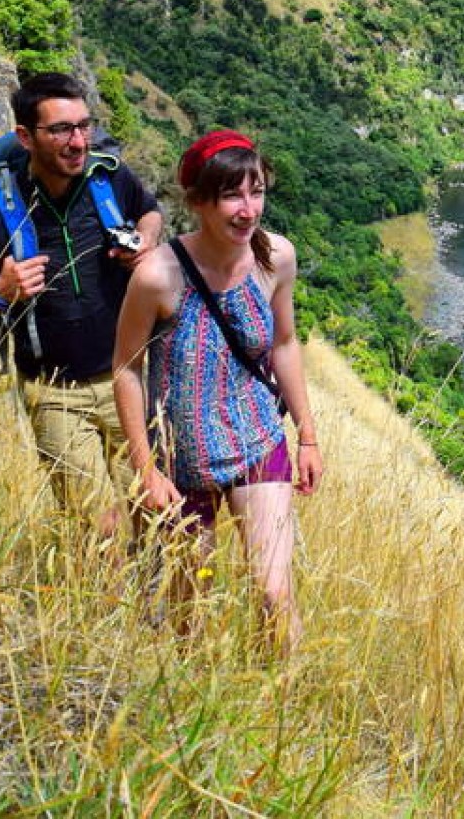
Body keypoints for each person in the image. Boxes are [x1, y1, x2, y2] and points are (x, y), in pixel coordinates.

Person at [112, 130, 322, 652]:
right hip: (181, 463)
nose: (248, 210)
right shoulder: (159, 276)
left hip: (256, 441)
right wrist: (146, 469)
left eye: (257, 192)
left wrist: (308, 435)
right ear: (199, 202)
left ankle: (283, 713)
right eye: (232, 195)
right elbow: (126, 369)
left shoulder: (277, 258)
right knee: (189, 611)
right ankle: (197, 707)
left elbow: (285, 344)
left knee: (275, 594)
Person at [0, 72, 164, 541]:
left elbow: (149, 210)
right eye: (61, 129)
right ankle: (104, 610)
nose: (78, 141)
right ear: (25, 137)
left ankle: (150, 614)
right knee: (101, 531)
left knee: (154, 520)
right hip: (54, 392)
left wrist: (145, 241)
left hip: (130, 377)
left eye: (83, 126)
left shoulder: (109, 178)